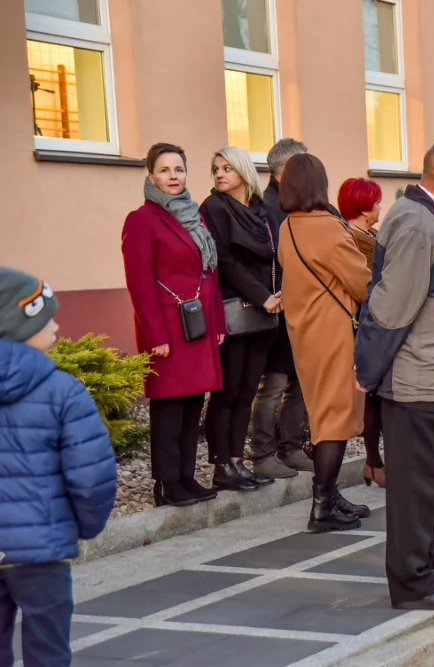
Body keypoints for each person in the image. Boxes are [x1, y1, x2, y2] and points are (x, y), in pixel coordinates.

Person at [354, 139, 434, 612]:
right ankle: (413, 583)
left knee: (427, 485)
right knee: (414, 489)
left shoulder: (429, 219)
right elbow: (390, 309)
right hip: (418, 380)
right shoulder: (416, 222)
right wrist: (367, 370)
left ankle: (428, 573)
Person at [0, 268, 117, 667]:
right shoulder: (63, 391)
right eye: (43, 316)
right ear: (15, 326)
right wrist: (84, 527)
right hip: (42, 554)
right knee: (48, 652)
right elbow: (92, 478)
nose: (56, 324)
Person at [122, 143, 223, 506]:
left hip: (197, 324)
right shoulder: (142, 220)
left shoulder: (195, 218)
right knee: (168, 406)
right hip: (167, 328)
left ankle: (185, 476)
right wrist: (155, 335)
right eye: (164, 171)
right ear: (150, 176)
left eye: (178, 169)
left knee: (194, 401)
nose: (173, 177)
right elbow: (139, 283)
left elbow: (210, 274)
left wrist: (218, 322)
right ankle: (166, 485)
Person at [278, 154, 371, 532]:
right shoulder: (328, 228)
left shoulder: (288, 226)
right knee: (334, 418)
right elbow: (362, 284)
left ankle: (329, 495)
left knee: (322, 415)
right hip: (333, 331)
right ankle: (322, 506)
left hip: (304, 330)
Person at [201, 146, 283, 491]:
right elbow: (226, 261)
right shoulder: (214, 208)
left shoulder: (261, 210)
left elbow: (276, 256)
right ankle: (222, 465)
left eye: (227, 168)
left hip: (267, 309)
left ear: (244, 172)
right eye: (216, 168)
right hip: (236, 307)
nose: (220, 174)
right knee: (228, 389)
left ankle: (237, 460)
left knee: (248, 389)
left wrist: (280, 296)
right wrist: (263, 297)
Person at [251, 138, 312, 480]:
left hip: (302, 308)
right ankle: (263, 453)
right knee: (273, 386)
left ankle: (291, 448)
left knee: (300, 383)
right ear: (286, 169)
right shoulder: (267, 207)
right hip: (279, 308)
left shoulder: (297, 203)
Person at [338, 176, 386, 489]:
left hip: (382, 320)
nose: (380, 206)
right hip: (362, 322)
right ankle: (373, 460)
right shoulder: (351, 240)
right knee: (370, 396)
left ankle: (376, 461)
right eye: (377, 201)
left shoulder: (374, 235)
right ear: (366, 207)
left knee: (379, 397)